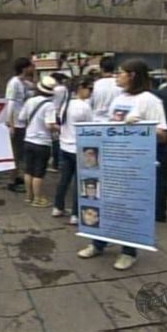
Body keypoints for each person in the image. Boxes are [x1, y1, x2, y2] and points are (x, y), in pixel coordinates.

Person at [78, 58, 167, 270]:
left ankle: (129, 252)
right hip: (112, 160)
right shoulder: (119, 97)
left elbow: (163, 135)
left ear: (133, 75)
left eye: (121, 73)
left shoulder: (150, 100)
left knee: (129, 207)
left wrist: (141, 127)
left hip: (134, 165)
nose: (117, 76)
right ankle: (98, 243)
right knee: (105, 203)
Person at [52, 76, 94, 224]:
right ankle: (75, 214)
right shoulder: (84, 106)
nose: (90, 91)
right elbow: (91, 126)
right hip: (79, 148)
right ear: (80, 88)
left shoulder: (66, 104)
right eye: (89, 88)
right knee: (79, 182)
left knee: (64, 179)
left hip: (64, 146)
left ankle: (58, 207)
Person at [18, 76, 58, 208]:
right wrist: (60, 128)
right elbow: (50, 125)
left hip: (28, 140)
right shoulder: (50, 105)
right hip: (42, 142)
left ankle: (28, 196)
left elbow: (21, 118)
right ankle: (37, 198)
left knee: (28, 170)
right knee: (38, 172)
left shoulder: (30, 101)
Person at [6, 57, 35, 193]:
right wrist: (11, 124)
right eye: (30, 66)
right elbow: (10, 103)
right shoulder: (14, 83)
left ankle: (16, 176)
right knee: (16, 154)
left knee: (19, 153)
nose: (33, 68)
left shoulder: (22, 83)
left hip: (21, 122)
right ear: (24, 68)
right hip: (16, 123)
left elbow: (33, 88)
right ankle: (11, 181)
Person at [155, 58, 167, 222]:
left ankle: (159, 212)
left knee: (162, 178)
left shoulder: (165, 91)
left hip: (166, 142)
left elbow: (161, 118)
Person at [48, 72, 70, 172]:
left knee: (55, 141)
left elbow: (52, 103)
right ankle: (59, 163)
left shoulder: (57, 90)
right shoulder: (64, 89)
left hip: (55, 114)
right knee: (59, 139)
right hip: (61, 113)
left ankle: (56, 164)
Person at [90, 56, 123, 122]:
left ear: (101, 69)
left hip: (97, 120)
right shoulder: (120, 85)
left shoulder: (95, 85)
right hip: (116, 120)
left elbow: (90, 103)